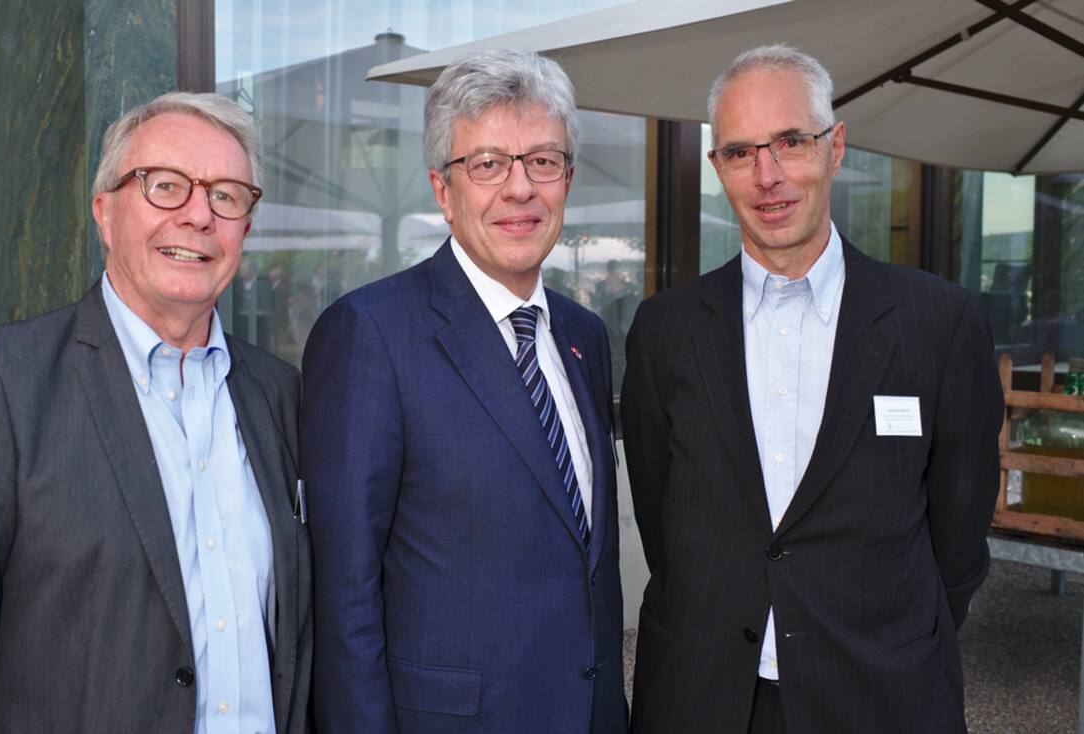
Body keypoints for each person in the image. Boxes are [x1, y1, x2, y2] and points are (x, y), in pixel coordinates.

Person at [0, 92, 312, 733]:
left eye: (226, 195)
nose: (198, 216)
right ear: (105, 212)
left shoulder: (276, 393)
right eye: (165, 186)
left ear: (246, 226)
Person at [622, 45, 1002, 734]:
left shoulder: (939, 323)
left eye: (791, 141)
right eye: (740, 152)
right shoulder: (664, 329)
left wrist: (896, 637)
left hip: (879, 696)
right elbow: (661, 520)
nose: (767, 175)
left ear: (835, 147)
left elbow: (959, 528)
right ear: (717, 168)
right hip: (702, 696)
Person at [300, 49, 628, 733]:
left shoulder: (584, 336)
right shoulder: (369, 334)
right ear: (442, 191)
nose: (519, 189)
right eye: (487, 164)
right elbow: (344, 595)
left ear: (567, 180)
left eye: (542, 161)